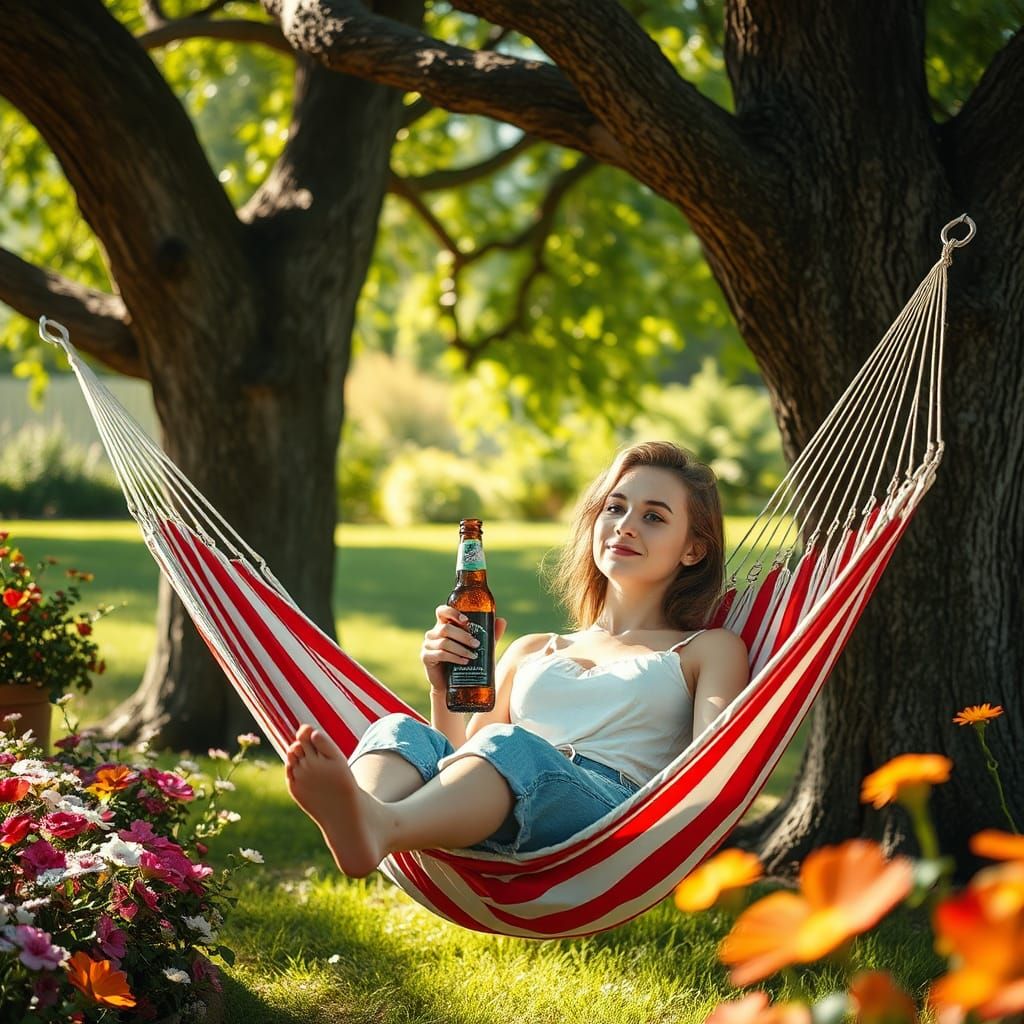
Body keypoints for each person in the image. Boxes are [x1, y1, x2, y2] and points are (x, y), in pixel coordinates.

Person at [284, 441, 749, 878]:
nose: (625, 525)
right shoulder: (532, 649)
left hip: (611, 818)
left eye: (654, 517)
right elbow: (462, 759)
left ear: (693, 549)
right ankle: (367, 817)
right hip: (499, 799)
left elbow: (711, 772)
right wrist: (443, 688)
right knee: (398, 730)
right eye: (615, 507)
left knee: (512, 746)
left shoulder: (706, 650)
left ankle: (381, 825)